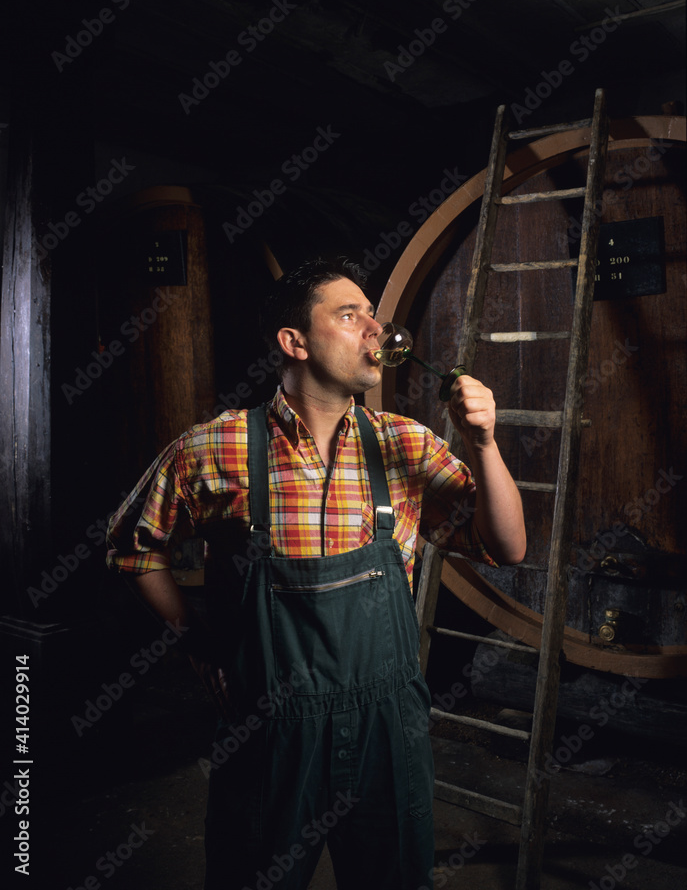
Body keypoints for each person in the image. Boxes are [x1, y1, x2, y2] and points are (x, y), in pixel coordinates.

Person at [106, 256, 526, 890]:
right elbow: (133, 547)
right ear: (294, 342)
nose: (375, 332)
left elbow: (509, 546)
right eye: (350, 315)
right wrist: (196, 640)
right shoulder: (214, 448)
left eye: (374, 317)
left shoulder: (407, 445)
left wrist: (485, 443)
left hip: (389, 727)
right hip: (270, 728)